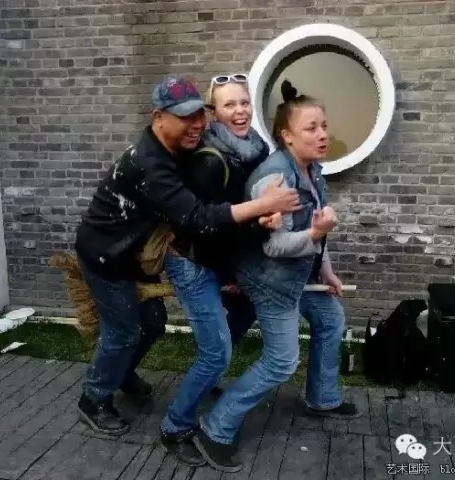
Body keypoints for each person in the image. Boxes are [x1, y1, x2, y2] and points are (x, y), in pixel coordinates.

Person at [73, 76, 301, 457]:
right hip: (106, 255)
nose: (196, 124)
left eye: (199, 114)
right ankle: (93, 397)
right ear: (158, 117)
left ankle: (122, 374)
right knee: (124, 331)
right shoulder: (148, 164)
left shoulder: (184, 147)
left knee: (153, 321)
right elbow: (198, 218)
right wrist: (262, 206)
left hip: (137, 251)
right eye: (184, 117)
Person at [192, 80, 360, 473]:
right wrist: (316, 234)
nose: (322, 135)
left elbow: (316, 227)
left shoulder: (312, 169)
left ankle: (322, 398)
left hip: (298, 271)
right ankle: (215, 428)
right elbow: (276, 246)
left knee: (330, 318)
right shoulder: (274, 180)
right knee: (282, 360)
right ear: (287, 136)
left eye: (324, 126)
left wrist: (327, 269)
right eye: (311, 128)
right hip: (269, 279)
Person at [158, 73, 281, 462]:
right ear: (214, 113)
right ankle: (174, 427)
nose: (240, 111)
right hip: (193, 260)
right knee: (217, 353)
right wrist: (230, 272)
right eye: (230, 104)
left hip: (222, 256)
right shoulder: (209, 161)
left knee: (243, 312)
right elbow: (203, 226)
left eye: (244, 102)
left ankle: (207, 373)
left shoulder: (255, 148)